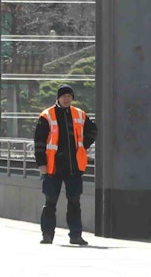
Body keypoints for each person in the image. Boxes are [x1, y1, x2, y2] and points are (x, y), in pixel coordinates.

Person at [33, 85, 98, 246]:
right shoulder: (47, 116)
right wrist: (42, 164)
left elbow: (92, 130)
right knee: (50, 203)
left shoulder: (79, 114)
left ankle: (75, 236)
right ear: (58, 98)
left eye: (69, 96)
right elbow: (39, 143)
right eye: (64, 96)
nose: (67, 99)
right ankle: (47, 235)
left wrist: (84, 145)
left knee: (75, 202)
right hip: (53, 168)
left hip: (74, 168)